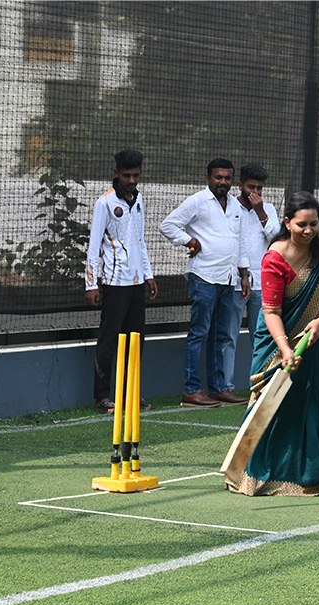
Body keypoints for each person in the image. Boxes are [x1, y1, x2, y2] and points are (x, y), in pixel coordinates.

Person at [225, 191, 319, 498]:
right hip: (277, 340)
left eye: (313, 224)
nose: (308, 231)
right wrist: (286, 350)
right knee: (271, 404)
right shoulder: (274, 258)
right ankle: (250, 476)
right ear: (287, 223)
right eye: (301, 224)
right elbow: (272, 312)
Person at [160, 158, 251, 408]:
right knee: (199, 333)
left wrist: (244, 274)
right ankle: (192, 390)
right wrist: (190, 241)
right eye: (218, 177)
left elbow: (240, 241)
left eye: (227, 178)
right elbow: (168, 226)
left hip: (228, 279)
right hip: (204, 278)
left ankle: (219, 389)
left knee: (220, 335)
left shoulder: (235, 205)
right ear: (208, 177)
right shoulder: (197, 201)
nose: (223, 182)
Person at [86, 149, 158, 413]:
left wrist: (148, 274)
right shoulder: (104, 203)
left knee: (136, 340)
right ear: (116, 173)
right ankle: (102, 397)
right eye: (126, 175)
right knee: (109, 340)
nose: (131, 180)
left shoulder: (139, 200)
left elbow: (140, 241)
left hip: (137, 283)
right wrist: (91, 284)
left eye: (136, 175)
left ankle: (131, 394)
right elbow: (94, 246)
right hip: (114, 283)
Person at [234, 163, 281, 338]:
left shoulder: (268, 209)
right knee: (228, 335)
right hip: (235, 283)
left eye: (259, 188)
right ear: (241, 186)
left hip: (261, 283)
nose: (255, 192)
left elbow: (277, 239)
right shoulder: (230, 207)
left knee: (261, 335)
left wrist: (261, 212)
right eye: (251, 187)